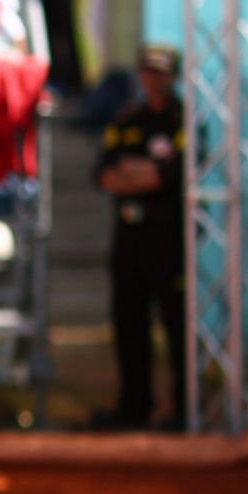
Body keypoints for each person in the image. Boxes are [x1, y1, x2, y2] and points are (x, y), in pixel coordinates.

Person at [92, 44, 187, 430]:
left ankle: (184, 409)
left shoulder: (183, 120)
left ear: (174, 75)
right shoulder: (127, 118)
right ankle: (133, 405)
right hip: (128, 240)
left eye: (160, 72)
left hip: (170, 241)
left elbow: (171, 176)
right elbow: (102, 174)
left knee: (177, 325)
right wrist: (142, 174)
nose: (153, 79)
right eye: (147, 71)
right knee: (129, 323)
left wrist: (135, 174)